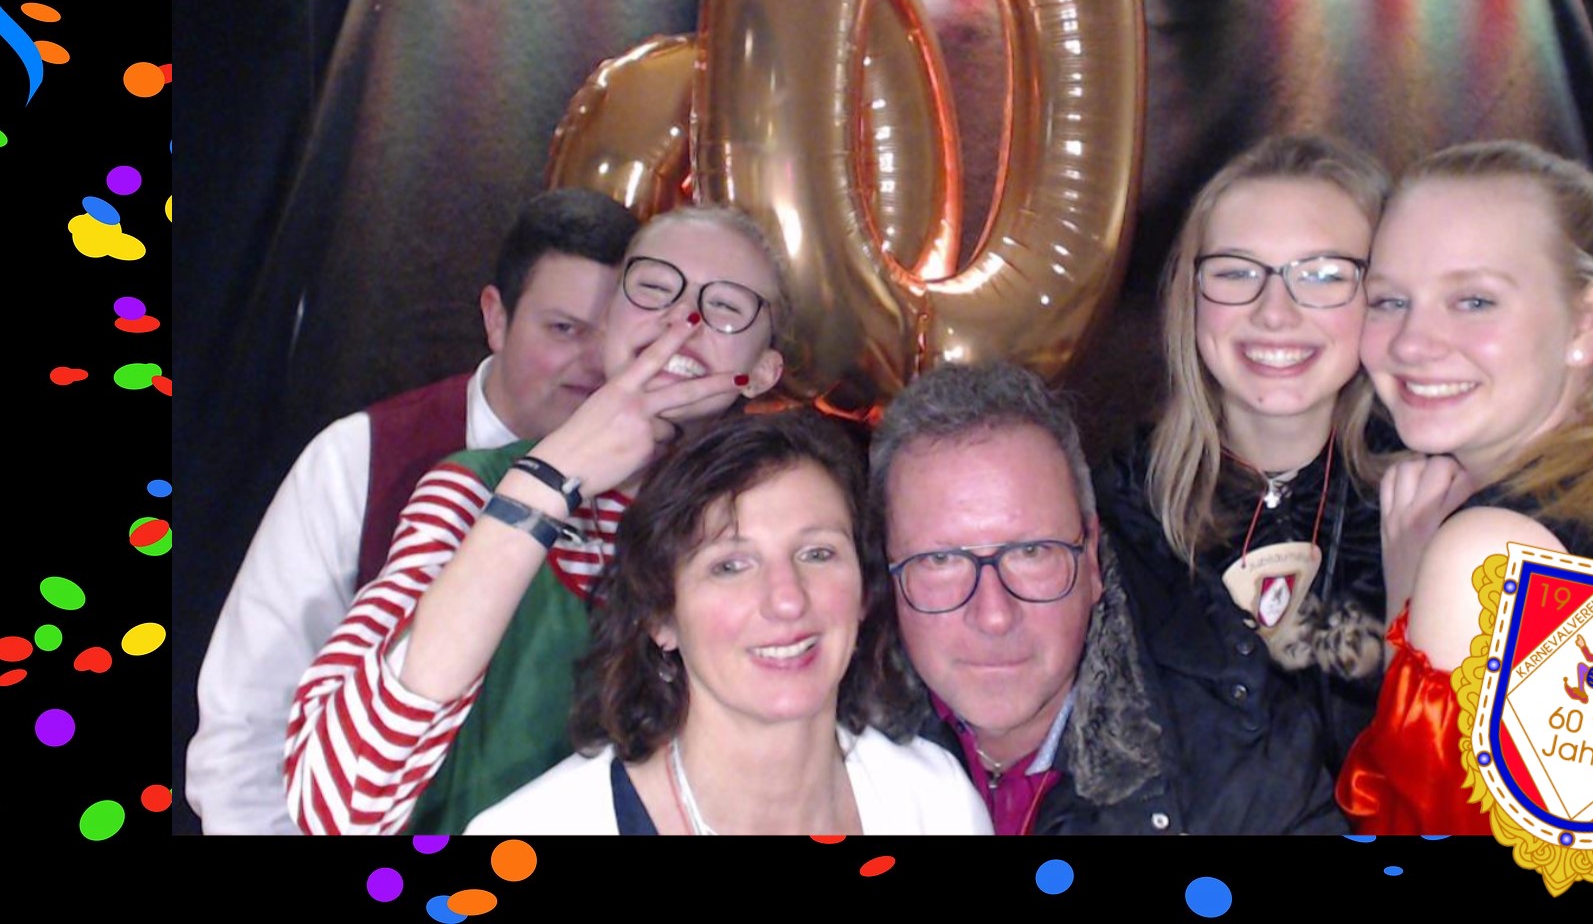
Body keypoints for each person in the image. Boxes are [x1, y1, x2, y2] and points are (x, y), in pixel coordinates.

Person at [284, 204, 790, 834]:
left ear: (763, 371)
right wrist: (551, 480)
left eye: (725, 306)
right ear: (610, 321)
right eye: (655, 287)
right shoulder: (473, 489)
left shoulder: (779, 536)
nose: (681, 320)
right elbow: (334, 802)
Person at [187, 187, 639, 834]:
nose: (594, 363)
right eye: (564, 329)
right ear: (496, 319)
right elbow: (245, 728)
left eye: (614, 334)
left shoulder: (655, 485)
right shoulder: (361, 458)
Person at [871, 361, 1347, 835]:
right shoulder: (836, 739)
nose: (994, 614)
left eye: (1033, 552)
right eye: (940, 560)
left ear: (1093, 560)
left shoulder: (1247, 756)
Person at [467, 410, 991, 834]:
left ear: (863, 589)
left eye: (817, 553)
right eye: (731, 566)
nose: (786, 600)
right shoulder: (529, 833)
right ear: (660, 616)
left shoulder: (936, 803)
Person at [1336, 139, 1593, 833]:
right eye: (1389, 301)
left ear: (1588, 321)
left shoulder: (1488, 554)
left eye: (1473, 300)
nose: (1412, 343)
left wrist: (1411, 611)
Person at [1095, 135, 1391, 778]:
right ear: (1191, 295)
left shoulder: (1447, 503)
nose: (1274, 313)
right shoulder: (1112, 511)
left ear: (1383, 296)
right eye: (1235, 272)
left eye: (1323, 275)